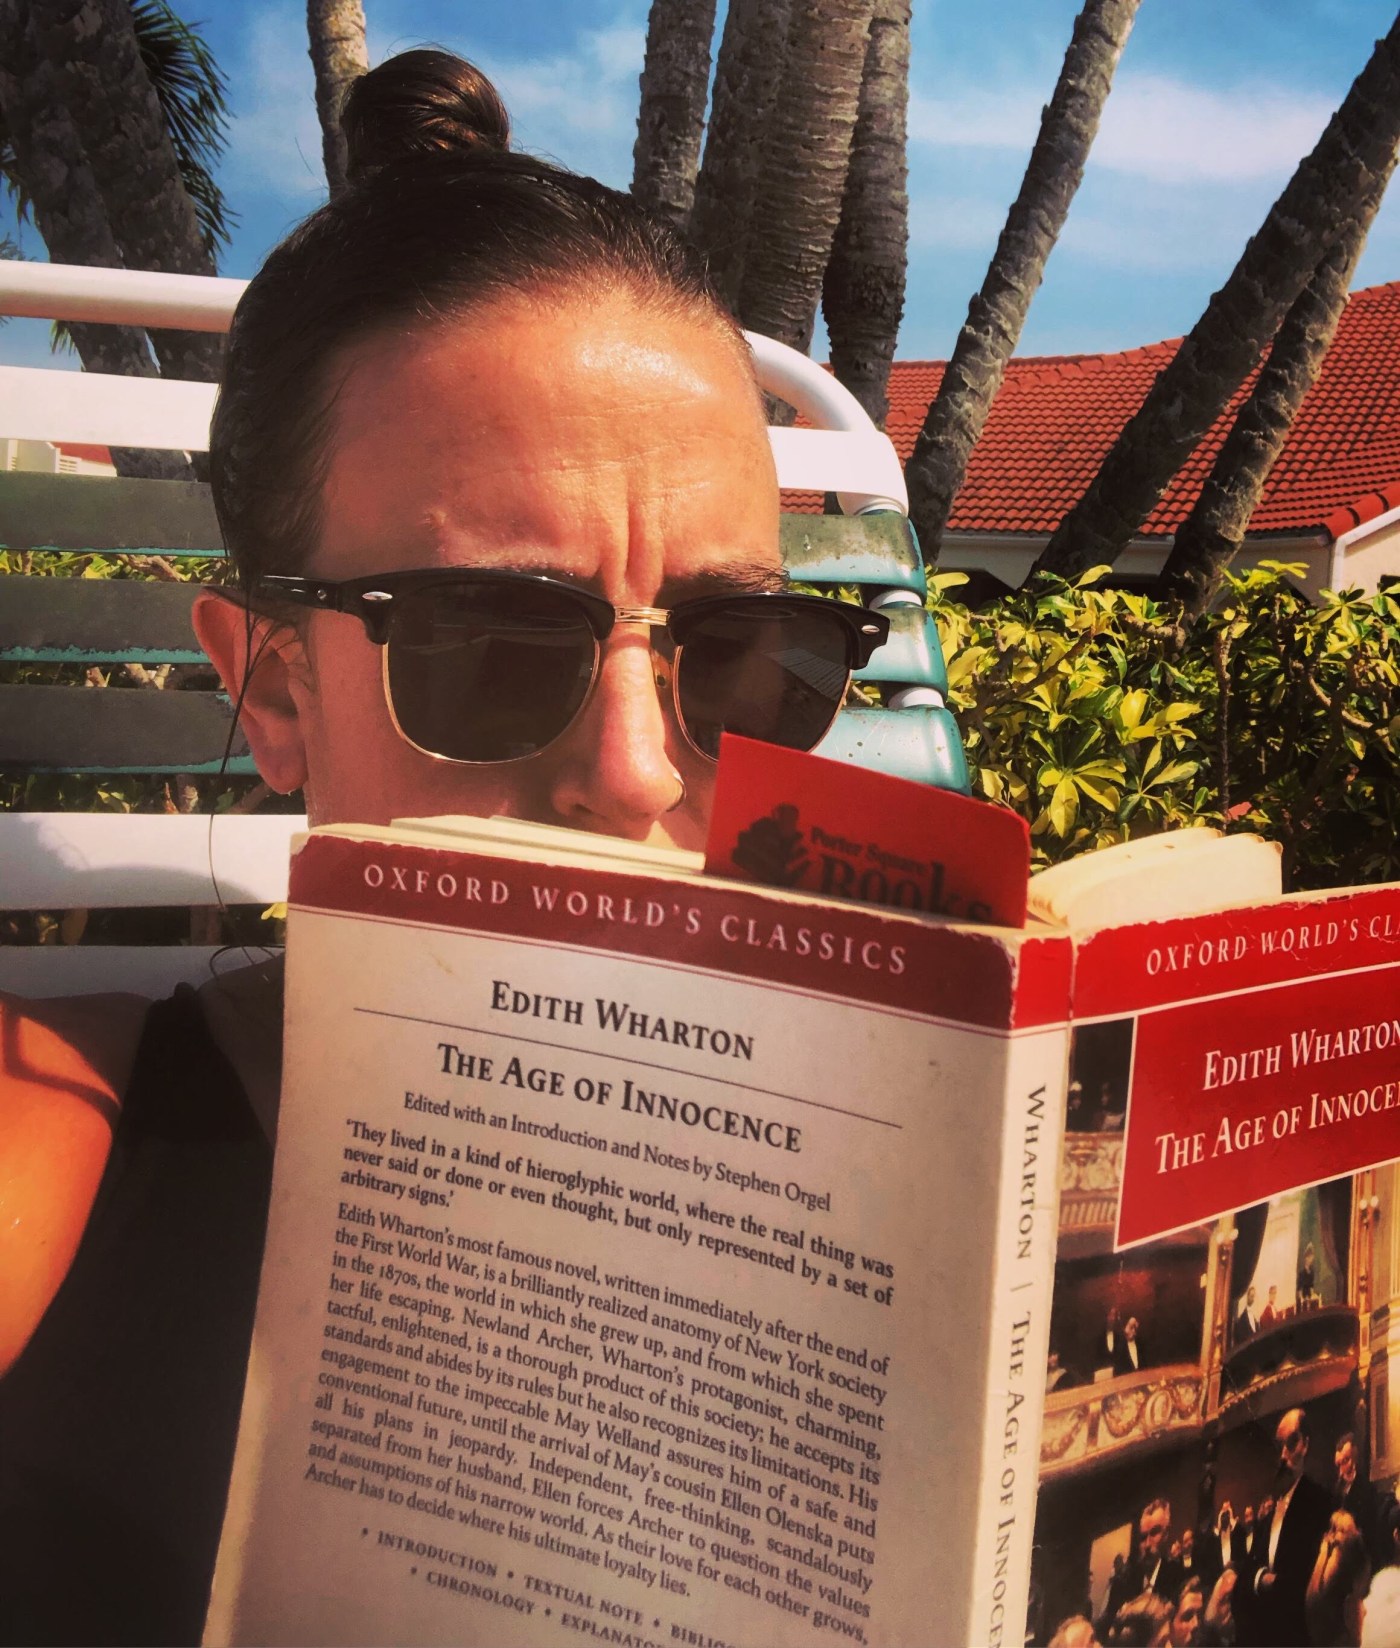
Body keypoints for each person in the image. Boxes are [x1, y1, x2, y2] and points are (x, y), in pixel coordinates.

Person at [0, 48, 887, 1645]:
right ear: (275, 689)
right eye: (486, 644)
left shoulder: (917, 1175)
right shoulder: (50, 1147)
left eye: (740, 655)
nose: (636, 775)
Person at [1241, 1407, 1337, 1646]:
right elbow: (1246, 1577)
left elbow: (1308, 1581)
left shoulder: (1322, 1502)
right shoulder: (1269, 1515)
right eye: (1279, 1446)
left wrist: (1271, 1584)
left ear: (1305, 1444)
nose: (1283, 1455)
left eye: (1292, 1443)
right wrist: (1262, 1578)